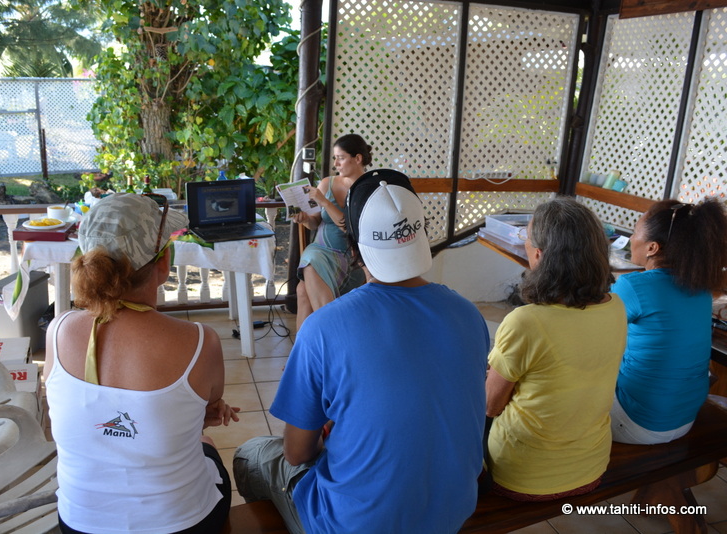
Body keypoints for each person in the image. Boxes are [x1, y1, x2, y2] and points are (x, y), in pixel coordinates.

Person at [234, 169, 489, 534]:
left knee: (251, 455)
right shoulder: (469, 314)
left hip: (354, 525)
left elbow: (297, 453)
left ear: (351, 244)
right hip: (452, 512)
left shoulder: (324, 328)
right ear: (420, 232)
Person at [44, 193, 240, 534]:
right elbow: (206, 412)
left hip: (80, 524)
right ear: (163, 263)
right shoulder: (200, 341)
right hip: (183, 525)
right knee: (205, 445)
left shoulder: (58, 331)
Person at [486, 197, 626, 501]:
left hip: (525, 475)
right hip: (591, 465)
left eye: (526, 237)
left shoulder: (526, 322)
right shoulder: (616, 308)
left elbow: (490, 406)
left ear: (538, 255)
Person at [610, 198, 727, 444]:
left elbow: (590, 335)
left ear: (652, 247)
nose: (631, 239)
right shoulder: (701, 287)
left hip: (637, 422)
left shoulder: (633, 287)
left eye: (634, 232)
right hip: (683, 418)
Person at [294, 133, 370, 329]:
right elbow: (314, 223)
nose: (336, 163)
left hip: (352, 258)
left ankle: (322, 340)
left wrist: (325, 202)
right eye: (335, 158)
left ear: (358, 158)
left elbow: (347, 227)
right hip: (322, 250)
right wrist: (305, 219)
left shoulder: (367, 189)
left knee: (303, 290)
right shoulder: (327, 184)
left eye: (341, 157)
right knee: (310, 261)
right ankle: (313, 345)